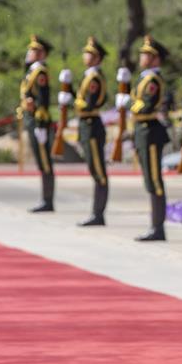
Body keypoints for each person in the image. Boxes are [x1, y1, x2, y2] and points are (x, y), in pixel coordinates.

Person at [124, 35, 170, 242]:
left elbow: (147, 105)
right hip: (143, 132)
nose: (142, 57)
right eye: (143, 54)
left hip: (151, 132)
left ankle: (157, 227)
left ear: (156, 59)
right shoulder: (144, 78)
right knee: (149, 181)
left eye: (147, 54)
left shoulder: (153, 80)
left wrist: (128, 104)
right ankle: (154, 226)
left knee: (154, 180)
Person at [69, 36, 110, 226]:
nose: (85, 56)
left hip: (92, 125)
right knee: (94, 170)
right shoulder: (88, 75)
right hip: (87, 125)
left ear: (97, 58)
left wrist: (71, 98)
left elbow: (89, 104)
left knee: (99, 171)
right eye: (86, 53)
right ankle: (96, 212)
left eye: (90, 53)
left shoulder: (94, 77)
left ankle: (98, 213)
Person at [18, 34, 55, 213]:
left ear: (41, 54)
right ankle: (45, 199)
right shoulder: (32, 71)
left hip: (39, 120)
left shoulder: (40, 72)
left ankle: (48, 200)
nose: (29, 52)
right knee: (41, 162)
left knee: (45, 161)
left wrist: (40, 124)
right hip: (32, 118)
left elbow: (44, 99)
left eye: (33, 50)